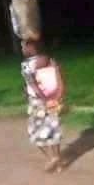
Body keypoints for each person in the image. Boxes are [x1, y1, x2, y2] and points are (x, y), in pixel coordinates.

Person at [20, 38, 65, 172]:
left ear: (30, 48)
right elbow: (58, 78)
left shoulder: (27, 64)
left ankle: (52, 158)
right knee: (53, 128)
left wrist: (44, 99)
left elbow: (33, 84)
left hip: (38, 101)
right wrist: (57, 97)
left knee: (35, 132)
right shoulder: (50, 60)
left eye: (23, 47)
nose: (22, 50)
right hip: (54, 99)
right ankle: (58, 160)